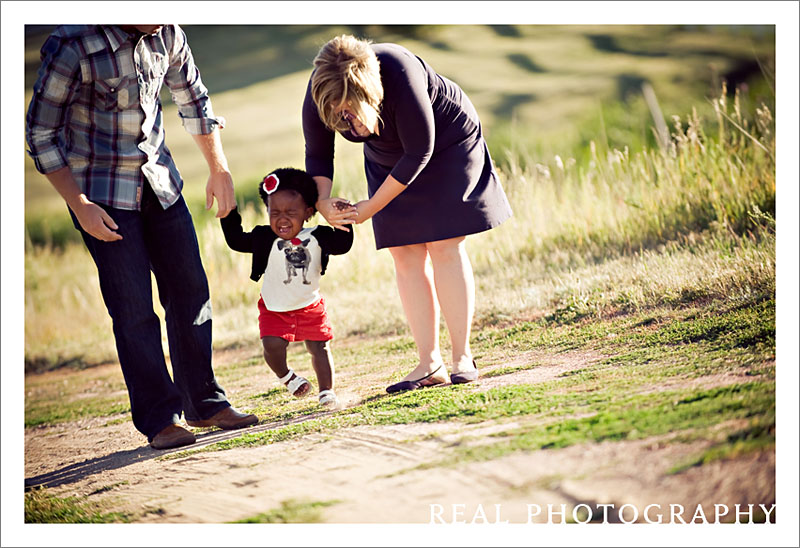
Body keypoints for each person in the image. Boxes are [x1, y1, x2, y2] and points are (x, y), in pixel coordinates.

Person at [25, 25, 258, 450]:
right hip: (100, 195)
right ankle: (160, 420)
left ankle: (205, 403)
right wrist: (79, 205)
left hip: (160, 183)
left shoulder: (167, 34)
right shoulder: (73, 45)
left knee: (191, 292)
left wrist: (219, 169)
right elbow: (40, 134)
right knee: (133, 310)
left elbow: (194, 100)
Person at [302, 35, 513, 394]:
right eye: (339, 115)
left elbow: (420, 150)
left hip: (446, 143)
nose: (345, 120)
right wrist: (321, 201)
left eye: (350, 111)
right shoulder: (323, 93)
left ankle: (462, 358)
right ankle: (429, 364)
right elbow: (318, 153)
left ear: (369, 91)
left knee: (444, 243)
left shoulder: (400, 71)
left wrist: (370, 207)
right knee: (405, 251)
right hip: (388, 156)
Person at [220, 168, 353, 407]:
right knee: (271, 345)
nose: (282, 219)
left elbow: (342, 245)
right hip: (273, 307)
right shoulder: (264, 238)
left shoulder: (318, 236)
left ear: (308, 212)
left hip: (309, 305)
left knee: (319, 347)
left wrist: (344, 217)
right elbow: (236, 240)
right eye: (275, 212)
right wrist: (228, 212)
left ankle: (326, 391)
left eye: (291, 212)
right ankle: (287, 377)